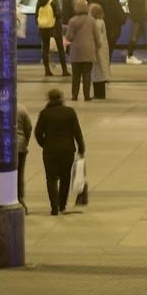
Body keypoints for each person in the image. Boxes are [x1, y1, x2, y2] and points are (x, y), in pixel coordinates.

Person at [33, 87, 85, 216]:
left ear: (49, 99)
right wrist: (81, 148)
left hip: (50, 150)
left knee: (51, 179)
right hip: (67, 150)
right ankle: (62, 205)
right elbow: (77, 132)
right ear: (62, 98)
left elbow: (38, 133)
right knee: (65, 178)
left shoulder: (45, 113)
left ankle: (54, 207)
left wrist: (44, 144)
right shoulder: (69, 112)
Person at [63, 0, 96, 102]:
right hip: (89, 49)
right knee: (87, 75)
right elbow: (96, 35)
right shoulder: (92, 20)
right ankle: (87, 96)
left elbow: (69, 37)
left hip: (76, 51)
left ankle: (74, 95)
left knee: (76, 76)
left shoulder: (72, 21)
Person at [35, 0, 66, 75]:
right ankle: (64, 71)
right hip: (55, 27)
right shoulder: (54, 0)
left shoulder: (40, 0)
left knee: (45, 49)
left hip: (43, 27)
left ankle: (47, 71)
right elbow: (58, 14)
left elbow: (36, 14)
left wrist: (39, 24)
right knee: (60, 49)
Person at [91, 0, 125, 66]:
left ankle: (94, 71)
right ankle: (105, 70)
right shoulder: (115, 3)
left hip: (94, 31)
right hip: (111, 32)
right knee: (108, 52)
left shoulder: (91, 1)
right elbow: (122, 19)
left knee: (94, 51)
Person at [88, 2, 112, 100]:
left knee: (97, 71)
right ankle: (99, 93)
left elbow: (97, 38)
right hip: (102, 49)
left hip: (98, 50)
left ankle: (99, 94)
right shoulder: (101, 21)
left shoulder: (96, 23)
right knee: (99, 71)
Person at [14, 104, 33, 215]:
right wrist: (25, 141)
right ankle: (20, 198)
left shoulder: (1, 107)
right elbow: (28, 127)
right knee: (20, 174)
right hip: (21, 147)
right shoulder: (22, 108)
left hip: (6, 148)